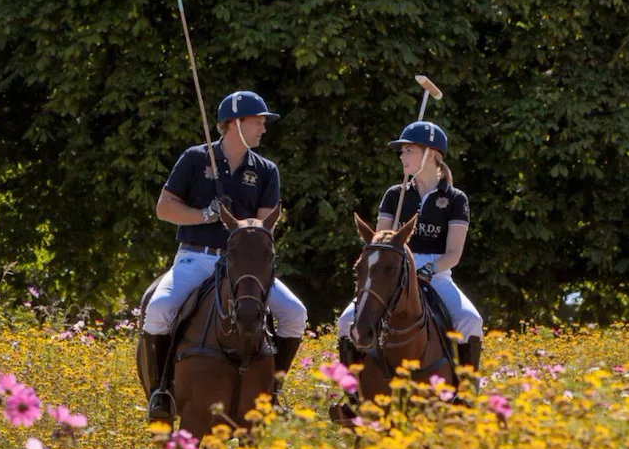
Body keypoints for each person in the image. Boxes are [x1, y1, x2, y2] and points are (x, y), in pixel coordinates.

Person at [139, 90, 307, 420]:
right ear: (234, 123)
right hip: (195, 257)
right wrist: (206, 214)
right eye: (257, 121)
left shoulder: (266, 170)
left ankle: (273, 392)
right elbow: (165, 209)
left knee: (295, 313)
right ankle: (161, 393)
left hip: (244, 266)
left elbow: (264, 224)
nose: (263, 128)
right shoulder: (195, 158)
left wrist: (240, 226)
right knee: (158, 310)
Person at [335, 120, 483, 372]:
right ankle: (350, 393)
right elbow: (379, 242)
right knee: (346, 321)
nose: (402, 155)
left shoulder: (456, 199)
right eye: (401, 151)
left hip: (436, 273)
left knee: (471, 321)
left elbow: (454, 254)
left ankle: (467, 397)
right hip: (395, 269)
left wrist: (427, 270)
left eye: (408, 150)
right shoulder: (395, 194)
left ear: (431, 153)